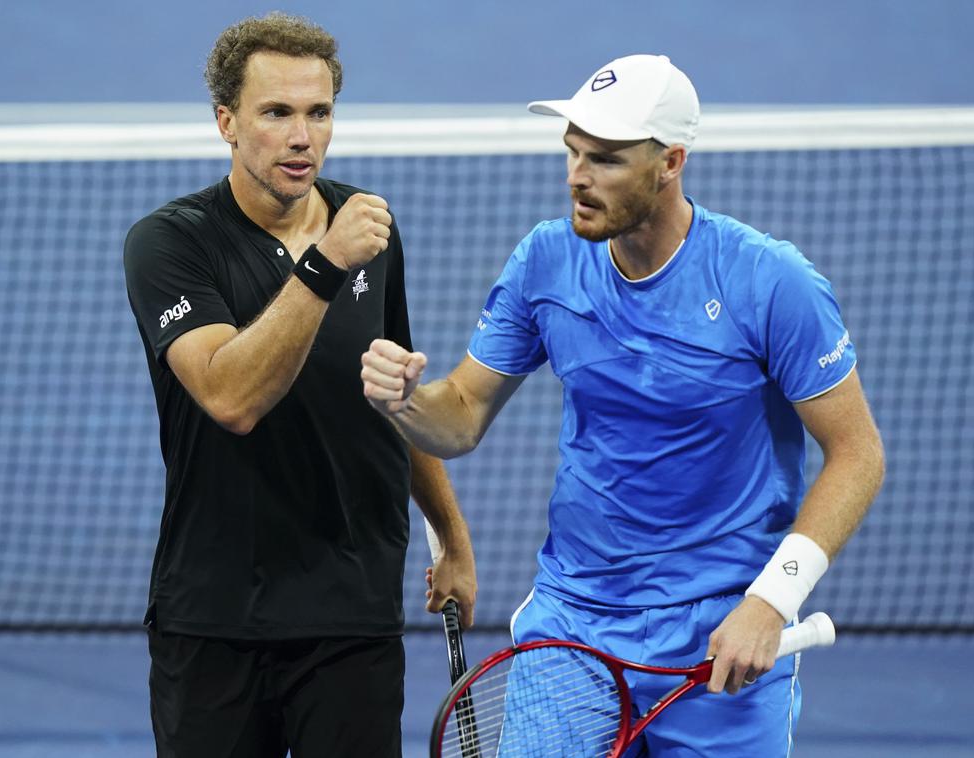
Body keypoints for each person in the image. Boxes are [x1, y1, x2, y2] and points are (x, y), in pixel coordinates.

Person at [361, 54, 884, 756]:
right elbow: (458, 415)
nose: (577, 175)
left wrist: (772, 600)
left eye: (604, 159)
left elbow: (858, 455)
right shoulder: (547, 261)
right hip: (574, 619)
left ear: (670, 162)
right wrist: (403, 402)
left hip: (724, 632)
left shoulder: (769, 282)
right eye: (573, 152)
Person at [122, 13, 476, 757]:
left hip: (352, 620)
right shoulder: (171, 244)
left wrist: (453, 537)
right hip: (216, 618)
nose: (301, 136)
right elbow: (230, 398)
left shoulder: (370, 229)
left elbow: (395, 397)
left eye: (318, 113)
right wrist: (322, 263)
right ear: (227, 121)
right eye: (276, 113)